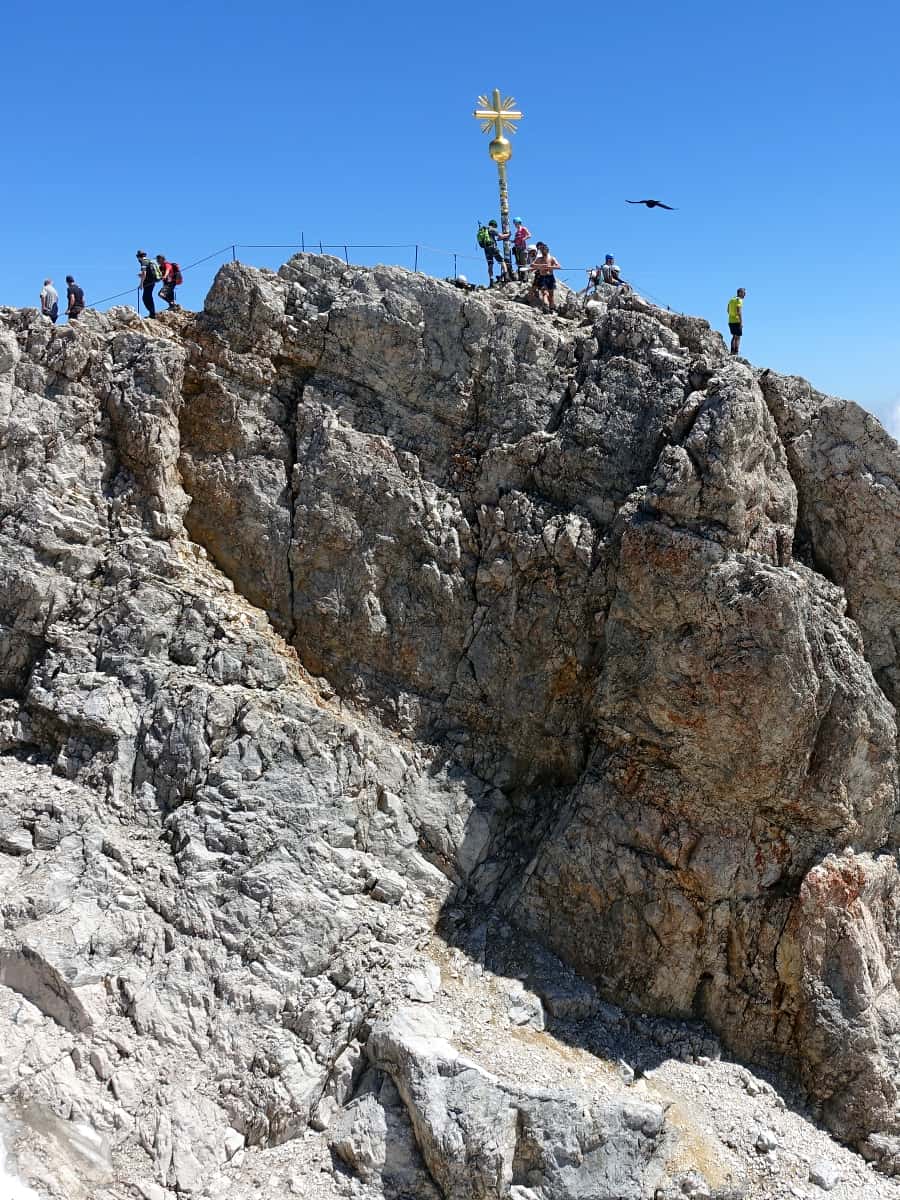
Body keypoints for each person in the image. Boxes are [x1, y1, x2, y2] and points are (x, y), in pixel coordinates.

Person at [530, 242, 562, 312]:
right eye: (542, 250)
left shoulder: (552, 258)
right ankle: (546, 306)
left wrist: (549, 267)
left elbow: (559, 266)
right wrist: (540, 266)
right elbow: (532, 265)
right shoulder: (539, 259)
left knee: (551, 295)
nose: (543, 251)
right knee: (544, 293)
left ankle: (551, 308)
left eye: (544, 250)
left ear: (547, 250)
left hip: (550, 277)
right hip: (542, 277)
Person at [483, 219, 510, 285]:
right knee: (502, 261)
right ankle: (506, 276)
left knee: (490, 264)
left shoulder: (485, 230)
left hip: (486, 249)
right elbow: (500, 236)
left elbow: (498, 238)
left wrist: (499, 239)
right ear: (494, 225)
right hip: (493, 247)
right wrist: (508, 235)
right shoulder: (492, 229)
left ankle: (491, 281)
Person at [136, 250, 161, 318]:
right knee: (148, 297)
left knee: (146, 298)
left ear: (138, 257)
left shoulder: (143, 262)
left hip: (148, 282)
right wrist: (141, 275)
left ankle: (152, 314)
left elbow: (144, 273)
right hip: (152, 281)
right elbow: (146, 273)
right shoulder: (149, 260)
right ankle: (152, 313)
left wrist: (141, 284)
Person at [727, 288, 746, 355]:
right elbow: (739, 311)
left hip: (730, 320)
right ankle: (736, 352)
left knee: (734, 336)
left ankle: (732, 351)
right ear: (740, 293)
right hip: (737, 320)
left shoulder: (731, 299)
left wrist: (732, 315)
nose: (745, 295)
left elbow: (728, 310)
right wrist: (741, 322)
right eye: (744, 293)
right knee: (738, 337)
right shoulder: (739, 300)